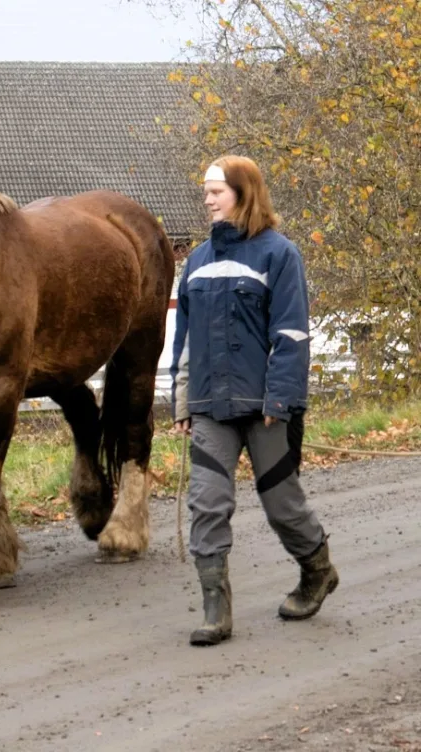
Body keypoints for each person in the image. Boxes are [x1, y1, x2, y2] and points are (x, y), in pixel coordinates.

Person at [170, 154, 339, 647]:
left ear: (243, 194)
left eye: (215, 191)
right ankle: (215, 609)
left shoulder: (279, 255)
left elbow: (291, 334)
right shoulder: (196, 261)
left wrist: (280, 399)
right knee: (207, 503)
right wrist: (182, 400)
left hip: (266, 407)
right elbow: (185, 340)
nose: (206, 200)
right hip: (211, 408)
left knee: (282, 505)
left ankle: (317, 571)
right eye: (205, 191)